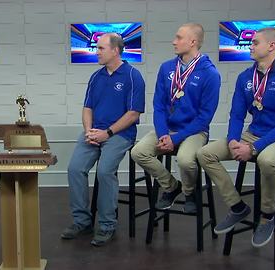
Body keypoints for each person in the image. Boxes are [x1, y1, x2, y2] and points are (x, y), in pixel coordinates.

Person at [197, 27, 275, 248]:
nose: (250, 46)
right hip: (253, 134)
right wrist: (233, 140)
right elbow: (237, 114)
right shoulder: (246, 77)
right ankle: (237, 207)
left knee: (266, 160)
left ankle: (267, 216)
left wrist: (254, 148)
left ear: (272, 46)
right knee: (205, 153)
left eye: (255, 43)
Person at [61, 33, 145, 246]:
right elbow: (87, 108)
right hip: (94, 133)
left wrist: (106, 133)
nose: (96, 52)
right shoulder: (96, 77)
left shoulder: (133, 76)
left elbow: (133, 114)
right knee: (74, 169)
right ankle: (82, 221)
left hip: (119, 135)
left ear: (115, 50)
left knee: (105, 171)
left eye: (100, 48)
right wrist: (89, 131)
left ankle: (107, 225)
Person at [131, 23, 220, 213]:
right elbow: (159, 105)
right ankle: (171, 186)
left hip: (194, 131)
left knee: (186, 160)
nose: (174, 42)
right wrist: (164, 135)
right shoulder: (166, 68)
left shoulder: (210, 74)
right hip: (167, 128)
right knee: (138, 152)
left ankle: (190, 193)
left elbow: (204, 117)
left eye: (179, 38)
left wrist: (175, 139)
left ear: (193, 41)